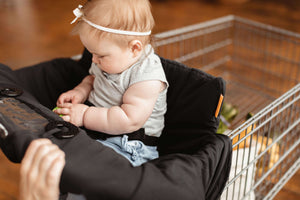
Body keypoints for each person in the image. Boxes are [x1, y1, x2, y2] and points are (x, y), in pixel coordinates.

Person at [54, 0, 168, 167]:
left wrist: (84, 116)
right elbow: (94, 78)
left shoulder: (147, 77)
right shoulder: (110, 59)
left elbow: (129, 120)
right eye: (91, 53)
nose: (93, 60)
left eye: (100, 55)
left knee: (95, 168)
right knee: (59, 149)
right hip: (97, 129)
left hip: (129, 143)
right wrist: (81, 91)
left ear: (134, 49)